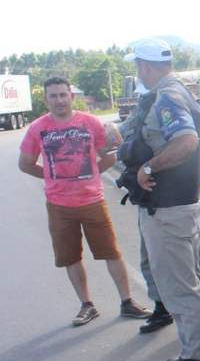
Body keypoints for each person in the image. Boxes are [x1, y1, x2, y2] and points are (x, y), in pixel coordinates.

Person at [122, 38, 200, 361]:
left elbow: (187, 142)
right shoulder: (180, 92)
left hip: (169, 208)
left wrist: (148, 165)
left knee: (180, 288)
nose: (137, 72)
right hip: (178, 205)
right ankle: (195, 354)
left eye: (137, 66)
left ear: (145, 66)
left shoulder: (167, 97)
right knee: (190, 281)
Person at [18, 77, 151, 326]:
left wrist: (90, 173)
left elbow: (110, 155)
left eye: (62, 94)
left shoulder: (90, 123)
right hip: (58, 205)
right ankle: (87, 305)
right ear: (46, 100)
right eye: (53, 96)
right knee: (70, 257)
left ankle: (127, 302)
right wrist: (54, 177)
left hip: (92, 200)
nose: (59, 100)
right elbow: (25, 164)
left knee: (111, 252)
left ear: (72, 96)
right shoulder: (37, 128)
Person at [106, 90, 174, 335]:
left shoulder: (170, 104)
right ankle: (162, 308)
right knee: (152, 259)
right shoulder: (148, 106)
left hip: (168, 198)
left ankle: (193, 337)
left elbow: (191, 145)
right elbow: (123, 133)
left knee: (178, 264)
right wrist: (112, 129)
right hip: (152, 196)